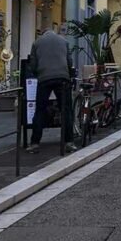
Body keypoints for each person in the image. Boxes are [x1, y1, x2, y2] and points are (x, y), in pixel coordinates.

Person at [26, 25, 77, 154]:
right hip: (62, 77)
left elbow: (33, 64)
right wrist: (68, 75)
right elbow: (69, 61)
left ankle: (35, 143)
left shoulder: (37, 43)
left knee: (40, 110)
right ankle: (69, 142)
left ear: (42, 33)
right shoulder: (64, 41)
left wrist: (38, 73)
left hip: (44, 79)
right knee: (66, 110)